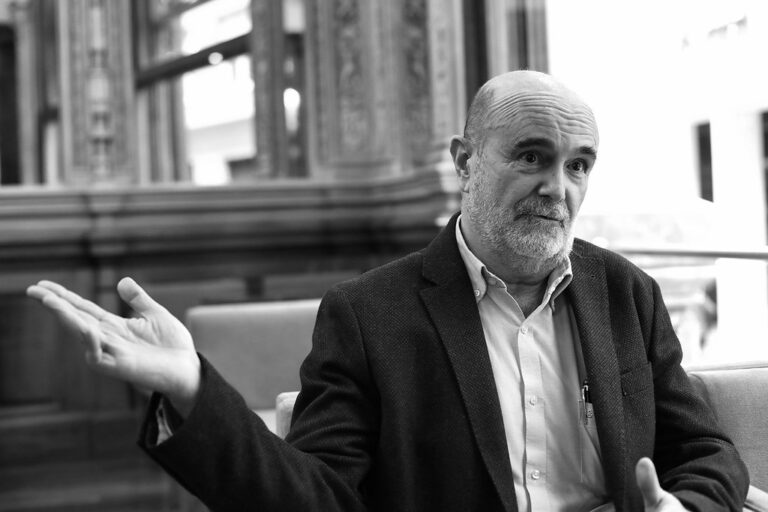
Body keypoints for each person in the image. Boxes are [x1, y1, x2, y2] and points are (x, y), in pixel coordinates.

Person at [27, 70, 748, 512]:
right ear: (465, 161)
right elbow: (316, 499)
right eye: (531, 156)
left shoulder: (626, 293)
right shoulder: (370, 315)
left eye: (578, 164)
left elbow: (706, 450)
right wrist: (192, 386)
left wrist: (684, 507)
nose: (557, 188)